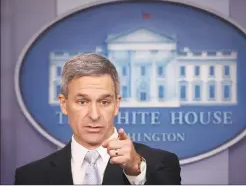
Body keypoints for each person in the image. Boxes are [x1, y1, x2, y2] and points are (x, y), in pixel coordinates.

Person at [14, 53, 181, 185]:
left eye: (104, 102)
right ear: (64, 104)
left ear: (116, 105)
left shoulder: (161, 164)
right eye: (82, 101)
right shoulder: (30, 177)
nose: (94, 115)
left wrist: (135, 173)